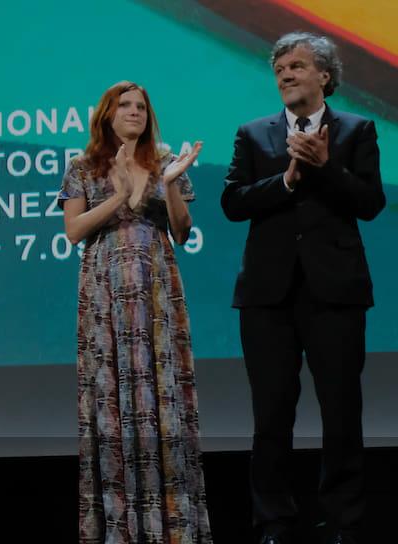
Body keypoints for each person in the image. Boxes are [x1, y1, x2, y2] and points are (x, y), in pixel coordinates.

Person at [221, 32, 385, 544]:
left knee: (342, 411)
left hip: (335, 292)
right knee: (271, 414)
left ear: (324, 76)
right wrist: (288, 181)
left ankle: (345, 522)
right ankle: (274, 521)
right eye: (279, 69)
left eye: (296, 66)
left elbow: (370, 203)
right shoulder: (253, 134)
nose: (285, 75)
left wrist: (325, 166)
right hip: (267, 296)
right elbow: (233, 203)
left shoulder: (357, 130)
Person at [60, 81, 213, 543]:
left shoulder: (165, 161)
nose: (134, 112)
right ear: (107, 114)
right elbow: (73, 231)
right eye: (125, 105)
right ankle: (120, 530)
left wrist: (169, 185)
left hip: (155, 289)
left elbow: (182, 232)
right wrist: (119, 196)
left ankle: (173, 529)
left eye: (141, 107)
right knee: (111, 396)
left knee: (161, 392)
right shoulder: (82, 166)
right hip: (105, 291)